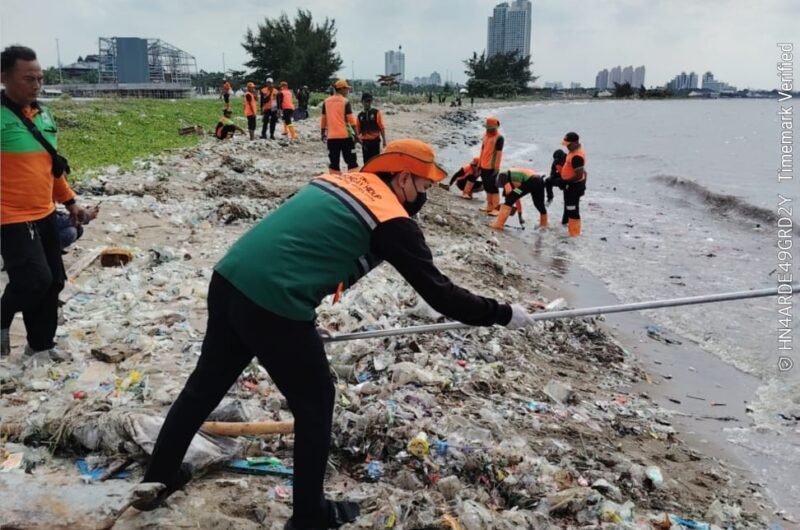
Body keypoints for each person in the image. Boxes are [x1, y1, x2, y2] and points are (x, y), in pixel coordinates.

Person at [131, 139, 534, 529]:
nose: (423, 197)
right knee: (316, 402)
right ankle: (309, 515)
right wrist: (504, 313)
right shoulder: (391, 219)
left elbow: (303, 242)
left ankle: (160, 475)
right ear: (402, 179)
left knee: (205, 385)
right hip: (274, 302)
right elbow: (442, 295)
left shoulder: (335, 180)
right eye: (423, 186)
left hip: (230, 279)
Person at [1, 45, 92, 360]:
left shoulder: (45, 115)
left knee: (54, 281)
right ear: (5, 78)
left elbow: (51, 167)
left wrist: (71, 203)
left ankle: (40, 346)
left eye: (40, 78)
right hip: (9, 216)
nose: (37, 85)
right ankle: (2, 316)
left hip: (45, 212)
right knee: (34, 280)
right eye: (28, 78)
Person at [320, 79, 359, 173]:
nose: (347, 91)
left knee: (334, 162)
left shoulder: (326, 101)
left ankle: (335, 181)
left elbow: (323, 119)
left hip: (332, 137)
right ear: (341, 89)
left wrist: (322, 134)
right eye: (346, 89)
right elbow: (351, 120)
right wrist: (357, 135)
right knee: (351, 161)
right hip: (345, 136)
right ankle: (353, 180)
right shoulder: (345, 101)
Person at [559, 132, 587, 236]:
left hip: (574, 186)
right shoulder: (572, 152)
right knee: (568, 207)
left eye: (568, 144)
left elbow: (579, 175)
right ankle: (568, 229)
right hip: (570, 185)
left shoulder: (577, 156)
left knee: (572, 209)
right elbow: (584, 173)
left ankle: (574, 234)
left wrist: (565, 181)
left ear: (575, 143)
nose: (567, 146)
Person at [477, 116, 504, 214]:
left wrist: (496, 167)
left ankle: (496, 208)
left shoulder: (499, 138)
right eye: (488, 128)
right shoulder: (485, 136)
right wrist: (479, 164)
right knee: (487, 185)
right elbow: (482, 150)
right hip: (483, 164)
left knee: (493, 186)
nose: (489, 130)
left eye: (491, 128)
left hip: (492, 167)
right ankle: (489, 205)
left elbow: (499, 154)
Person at [356, 93, 385, 163]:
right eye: (366, 101)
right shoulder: (360, 116)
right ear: (362, 102)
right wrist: (356, 140)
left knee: (375, 162)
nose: (367, 103)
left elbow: (381, 127)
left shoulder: (376, 113)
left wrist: (384, 141)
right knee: (366, 162)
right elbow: (357, 130)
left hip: (375, 141)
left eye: (369, 101)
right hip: (365, 143)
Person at [548, 149, 569, 225]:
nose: (558, 162)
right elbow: (552, 174)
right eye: (556, 160)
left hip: (570, 182)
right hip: (560, 179)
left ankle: (565, 223)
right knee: (547, 181)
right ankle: (550, 198)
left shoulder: (569, 160)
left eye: (560, 160)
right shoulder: (556, 162)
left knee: (567, 204)